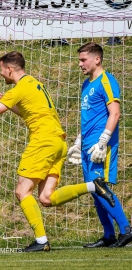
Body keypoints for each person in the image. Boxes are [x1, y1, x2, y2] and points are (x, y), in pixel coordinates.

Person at [0, 51, 115, 252]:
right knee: (46, 198)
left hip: (42, 142)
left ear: (9, 69)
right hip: (58, 142)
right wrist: (8, 102)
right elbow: (32, 111)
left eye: (1, 70)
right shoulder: (34, 83)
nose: (0, 74)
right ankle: (93, 186)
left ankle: (41, 241)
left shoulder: (19, 88)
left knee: (22, 191)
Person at [68, 42, 132, 248]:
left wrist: (103, 141)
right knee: (93, 190)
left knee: (99, 186)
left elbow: (115, 113)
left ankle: (127, 230)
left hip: (101, 145)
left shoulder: (107, 80)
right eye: (79, 60)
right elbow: (88, 117)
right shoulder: (86, 84)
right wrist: (79, 141)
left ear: (97, 59)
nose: (80, 64)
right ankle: (108, 235)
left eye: (83, 59)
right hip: (87, 145)